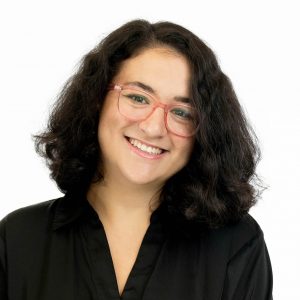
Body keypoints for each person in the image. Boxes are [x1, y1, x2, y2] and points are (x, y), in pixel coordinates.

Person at [0, 19, 273, 299]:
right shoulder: (18, 239)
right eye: (138, 98)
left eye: (182, 113)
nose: (154, 127)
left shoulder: (236, 246)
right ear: (97, 98)